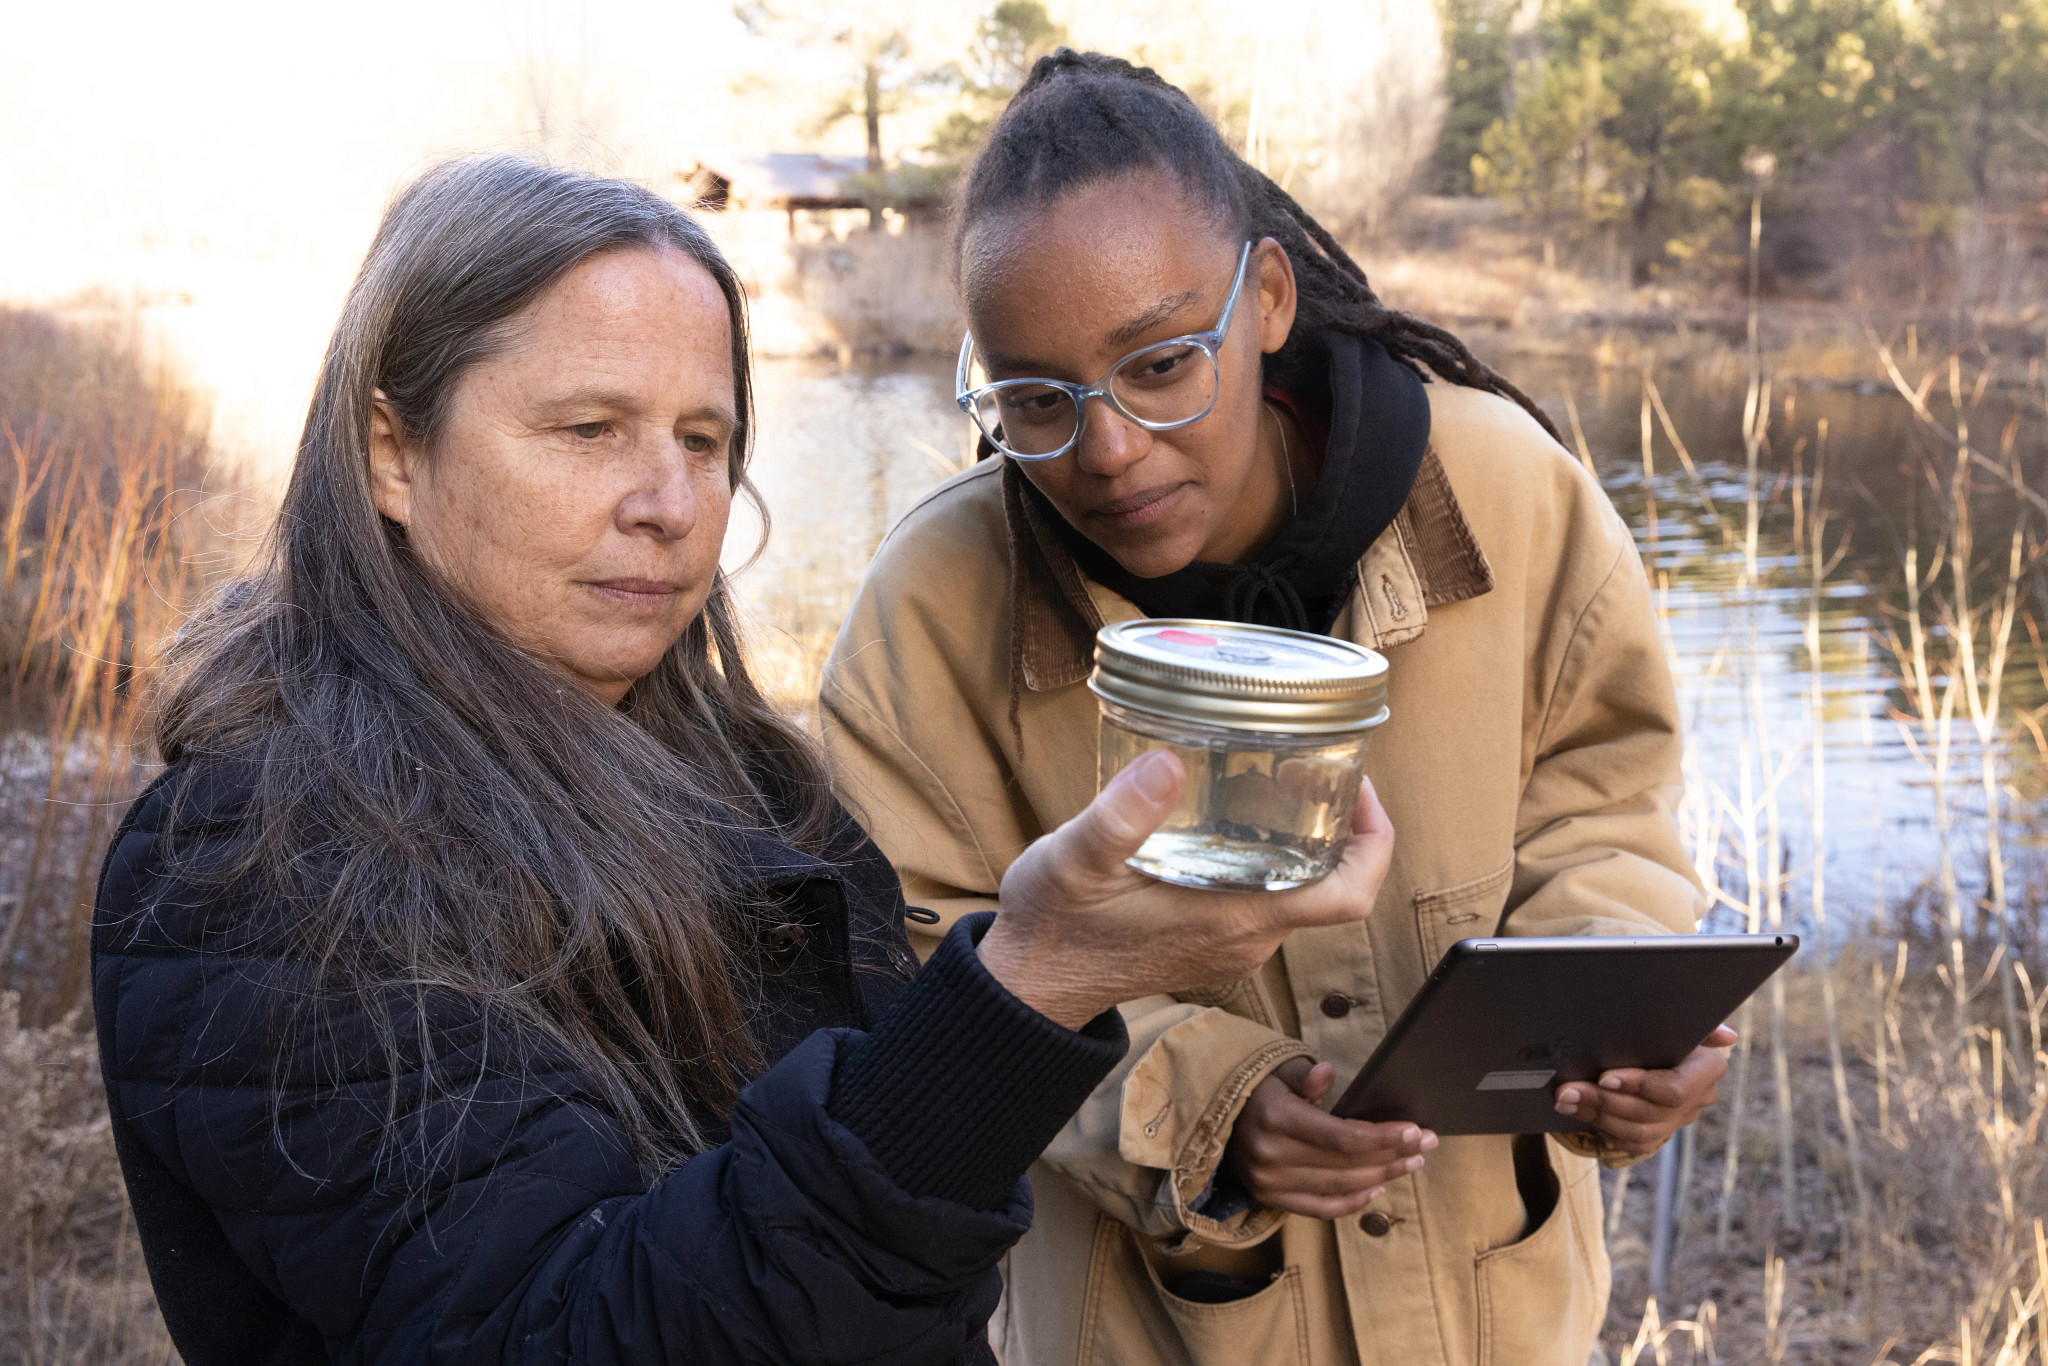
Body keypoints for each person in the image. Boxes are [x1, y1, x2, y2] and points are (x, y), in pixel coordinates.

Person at [90, 155, 1397, 1366]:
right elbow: (578, 1329)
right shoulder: (253, 861)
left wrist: (1043, 991)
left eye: (703, 441)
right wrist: (1028, 985)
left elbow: (902, 1275)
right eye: (588, 428)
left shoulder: (762, 792)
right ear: (391, 449)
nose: (668, 503)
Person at [820, 51, 1732, 1366]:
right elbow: (912, 970)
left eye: (1158, 362)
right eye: (1035, 399)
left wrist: (1618, 1022)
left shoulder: (1513, 493)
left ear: (1267, 299)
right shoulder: (927, 609)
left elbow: (1610, 810)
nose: (1109, 446)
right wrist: (1201, 1106)